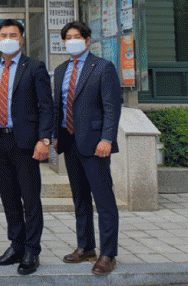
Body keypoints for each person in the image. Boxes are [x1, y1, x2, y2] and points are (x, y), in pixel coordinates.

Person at [0, 19, 53, 275]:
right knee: (8, 197)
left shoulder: (35, 67)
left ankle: (32, 250)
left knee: (30, 198)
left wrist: (44, 139)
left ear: (21, 39)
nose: (7, 39)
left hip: (26, 142)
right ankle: (16, 245)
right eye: (3, 35)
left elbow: (46, 106)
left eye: (13, 34)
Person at [53, 21, 122, 276]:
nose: (72, 40)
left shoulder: (103, 67)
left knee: (104, 200)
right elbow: (58, 106)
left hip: (95, 144)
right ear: (63, 42)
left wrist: (107, 139)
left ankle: (108, 254)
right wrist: (55, 136)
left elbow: (112, 106)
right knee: (80, 198)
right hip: (69, 142)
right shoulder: (60, 70)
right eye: (68, 37)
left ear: (88, 40)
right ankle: (86, 247)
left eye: (77, 36)